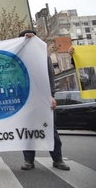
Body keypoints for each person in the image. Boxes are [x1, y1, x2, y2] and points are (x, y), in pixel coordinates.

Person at [19, 30, 70, 171]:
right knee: (27, 130)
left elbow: (50, 76)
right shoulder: (18, 57)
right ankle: (29, 160)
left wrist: (51, 95)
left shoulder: (43, 56)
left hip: (43, 98)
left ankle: (57, 159)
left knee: (51, 130)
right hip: (25, 100)